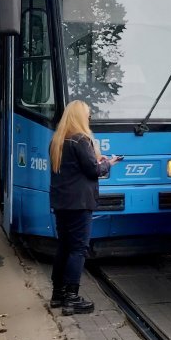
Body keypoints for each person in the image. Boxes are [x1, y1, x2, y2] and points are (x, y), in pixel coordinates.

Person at [48, 100, 119, 315]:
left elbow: (73, 167)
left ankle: (57, 294)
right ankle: (72, 297)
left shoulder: (57, 141)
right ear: (80, 117)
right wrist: (109, 163)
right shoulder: (81, 140)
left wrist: (96, 160)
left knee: (64, 247)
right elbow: (92, 171)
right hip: (80, 204)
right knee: (79, 249)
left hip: (61, 202)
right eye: (87, 115)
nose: (89, 119)